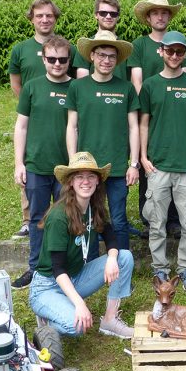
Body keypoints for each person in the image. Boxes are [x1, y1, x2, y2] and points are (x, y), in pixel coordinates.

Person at [29, 152, 135, 339]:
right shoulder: (59, 216)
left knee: (123, 257)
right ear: (70, 182)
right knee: (77, 327)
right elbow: (58, 269)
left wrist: (111, 258)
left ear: (97, 181)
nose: (85, 181)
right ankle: (47, 318)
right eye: (79, 176)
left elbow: (110, 237)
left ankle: (110, 320)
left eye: (90, 176)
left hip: (76, 277)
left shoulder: (94, 207)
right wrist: (79, 304)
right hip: (48, 286)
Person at [139, 31, 186, 291]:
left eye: (180, 52)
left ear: (185, 55)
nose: (175, 56)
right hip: (158, 164)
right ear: (161, 52)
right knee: (157, 222)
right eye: (170, 51)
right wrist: (142, 157)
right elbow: (143, 123)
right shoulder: (150, 85)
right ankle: (160, 269)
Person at [128, 0, 186, 238]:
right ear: (148, 17)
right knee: (151, 163)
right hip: (150, 107)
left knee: (177, 162)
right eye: (155, 12)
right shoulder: (140, 44)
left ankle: (175, 219)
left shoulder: (180, 42)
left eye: (164, 12)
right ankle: (151, 218)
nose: (160, 16)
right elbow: (137, 79)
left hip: (177, 109)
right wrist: (146, 106)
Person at [67, 31, 139, 250]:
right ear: (92, 56)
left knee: (118, 220)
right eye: (101, 55)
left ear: (117, 60)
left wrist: (133, 164)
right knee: (87, 218)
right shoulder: (77, 87)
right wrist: (73, 162)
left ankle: (123, 268)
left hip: (117, 166)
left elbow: (134, 126)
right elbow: (72, 126)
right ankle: (88, 265)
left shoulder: (125, 88)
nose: (106, 60)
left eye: (111, 56)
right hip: (87, 167)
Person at [12, 35, 73, 290]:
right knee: (37, 218)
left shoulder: (77, 88)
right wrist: (19, 163)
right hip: (36, 165)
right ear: (44, 59)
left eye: (62, 59)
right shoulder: (32, 87)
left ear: (69, 60)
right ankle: (36, 268)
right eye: (52, 59)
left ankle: (65, 268)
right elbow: (21, 126)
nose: (57, 64)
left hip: (65, 168)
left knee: (65, 218)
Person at [8, 0, 70, 242]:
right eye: (39, 15)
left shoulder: (65, 48)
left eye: (49, 15)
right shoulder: (20, 49)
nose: (45, 19)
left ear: (55, 18)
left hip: (61, 118)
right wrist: (35, 104)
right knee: (31, 176)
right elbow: (16, 84)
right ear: (32, 18)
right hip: (34, 112)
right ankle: (28, 221)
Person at [73, 0, 128, 81]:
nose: (108, 16)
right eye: (103, 13)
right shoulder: (86, 47)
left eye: (113, 14)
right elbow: (82, 85)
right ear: (96, 15)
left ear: (118, 17)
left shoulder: (126, 48)